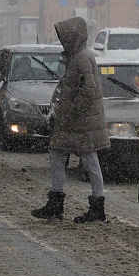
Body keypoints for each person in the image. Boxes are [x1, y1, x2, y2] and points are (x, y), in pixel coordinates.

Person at [31, 16, 111, 223]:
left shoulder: (82, 58)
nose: (62, 41)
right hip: (76, 121)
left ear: (73, 36)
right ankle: (69, 202)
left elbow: (87, 90)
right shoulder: (78, 56)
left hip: (79, 122)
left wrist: (72, 113)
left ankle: (89, 205)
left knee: (87, 160)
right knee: (64, 156)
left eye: (64, 37)